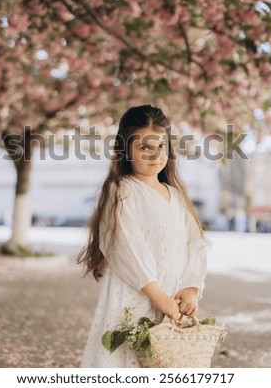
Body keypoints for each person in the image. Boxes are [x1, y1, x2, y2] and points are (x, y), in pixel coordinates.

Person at [77, 104, 208, 368]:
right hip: (134, 295)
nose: (154, 155)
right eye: (144, 148)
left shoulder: (176, 196)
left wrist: (191, 288)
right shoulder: (123, 190)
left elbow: (195, 244)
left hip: (171, 298)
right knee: (126, 359)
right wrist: (156, 294)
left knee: (164, 361)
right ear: (126, 149)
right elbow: (123, 245)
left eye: (160, 146)